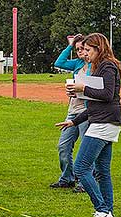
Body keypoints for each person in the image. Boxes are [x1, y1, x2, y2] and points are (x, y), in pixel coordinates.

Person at [56, 33, 121, 217]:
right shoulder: (99, 67)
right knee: (102, 171)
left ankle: (102, 211)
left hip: (104, 123)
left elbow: (108, 95)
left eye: (88, 50)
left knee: (81, 168)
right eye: (83, 49)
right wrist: (74, 122)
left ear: (98, 48)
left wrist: (82, 87)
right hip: (103, 120)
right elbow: (95, 104)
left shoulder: (107, 66)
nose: (85, 53)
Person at [51, 34, 90, 193]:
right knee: (63, 146)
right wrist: (70, 45)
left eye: (83, 48)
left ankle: (84, 181)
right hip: (73, 110)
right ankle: (67, 178)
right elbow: (59, 63)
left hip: (86, 111)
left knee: (85, 147)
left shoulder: (96, 66)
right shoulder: (77, 64)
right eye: (78, 49)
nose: (80, 51)